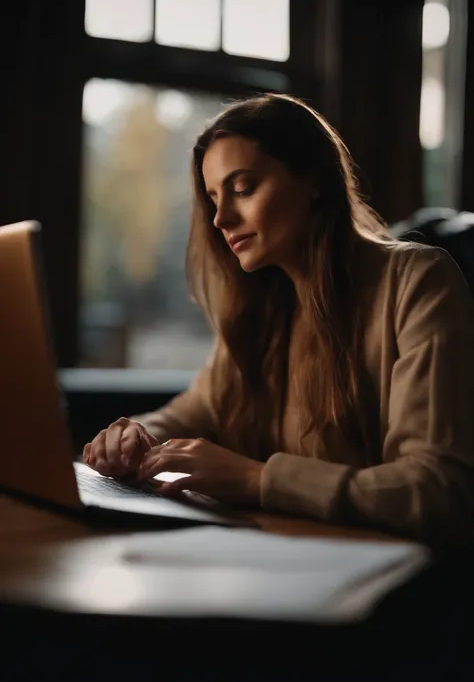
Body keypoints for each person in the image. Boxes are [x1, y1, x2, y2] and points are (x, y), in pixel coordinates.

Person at [83, 93, 474, 547]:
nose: (221, 219)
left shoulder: (417, 281)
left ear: (313, 179)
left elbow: (437, 491)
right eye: (213, 198)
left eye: (243, 189)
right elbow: (192, 413)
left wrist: (257, 479)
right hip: (284, 554)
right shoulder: (262, 307)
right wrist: (135, 438)